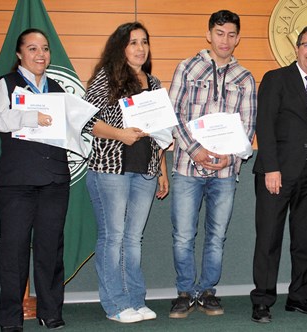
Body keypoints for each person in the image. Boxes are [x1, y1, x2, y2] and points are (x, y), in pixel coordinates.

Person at [167, 10, 256, 319]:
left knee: (217, 235)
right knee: (183, 235)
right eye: (220, 33)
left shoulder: (245, 78)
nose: (225, 40)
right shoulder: (186, 68)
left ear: (238, 38)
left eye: (232, 35)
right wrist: (195, 150)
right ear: (209, 35)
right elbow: (173, 115)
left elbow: (249, 126)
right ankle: (183, 292)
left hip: (226, 171)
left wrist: (229, 157)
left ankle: (207, 292)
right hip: (187, 167)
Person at [83, 22, 170, 324]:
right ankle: (115, 305)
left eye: (144, 42)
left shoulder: (155, 83)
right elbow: (86, 122)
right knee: (113, 237)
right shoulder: (107, 78)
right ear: (121, 47)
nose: (140, 48)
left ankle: (135, 299)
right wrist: (120, 134)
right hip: (111, 170)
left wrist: (162, 171)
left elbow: (160, 132)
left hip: (144, 170)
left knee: (133, 239)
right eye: (133, 42)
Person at [251, 25, 307, 324]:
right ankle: (262, 299)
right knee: (269, 238)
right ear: (298, 48)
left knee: (302, 239)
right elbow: (264, 124)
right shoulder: (276, 79)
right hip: (277, 172)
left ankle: (299, 297)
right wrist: (272, 168)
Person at [0, 28, 69, 331]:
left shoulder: (59, 88)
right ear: (20, 54)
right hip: (17, 182)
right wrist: (29, 116)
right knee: (14, 251)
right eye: (33, 49)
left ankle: (51, 313)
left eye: (45, 49)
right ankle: (10, 320)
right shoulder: (6, 84)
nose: (40, 55)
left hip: (54, 181)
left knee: (50, 249)